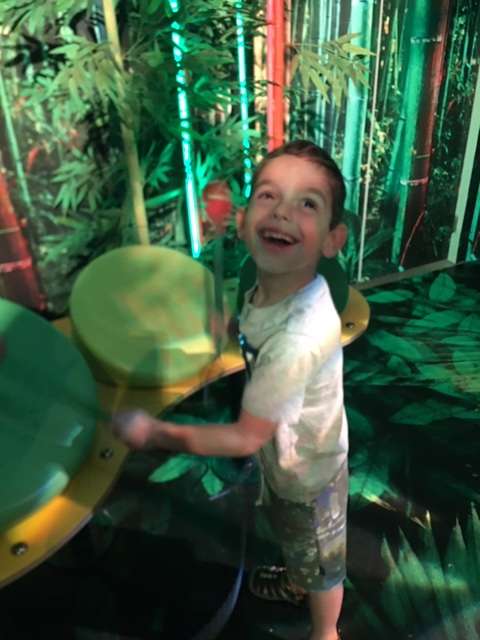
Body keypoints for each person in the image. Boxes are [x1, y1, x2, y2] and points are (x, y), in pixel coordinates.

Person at [111, 139, 349, 640]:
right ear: (242, 223)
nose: (282, 211)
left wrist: (155, 432)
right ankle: (297, 579)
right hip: (287, 452)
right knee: (299, 545)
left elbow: (244, 438)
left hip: (308, 473)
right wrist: (230, 328)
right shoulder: (268, 285)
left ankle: (325, 630)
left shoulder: (297, 338)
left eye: (307, 203)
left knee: (321, 560)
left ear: (333, 239)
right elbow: (254, 328)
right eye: (268, 195)